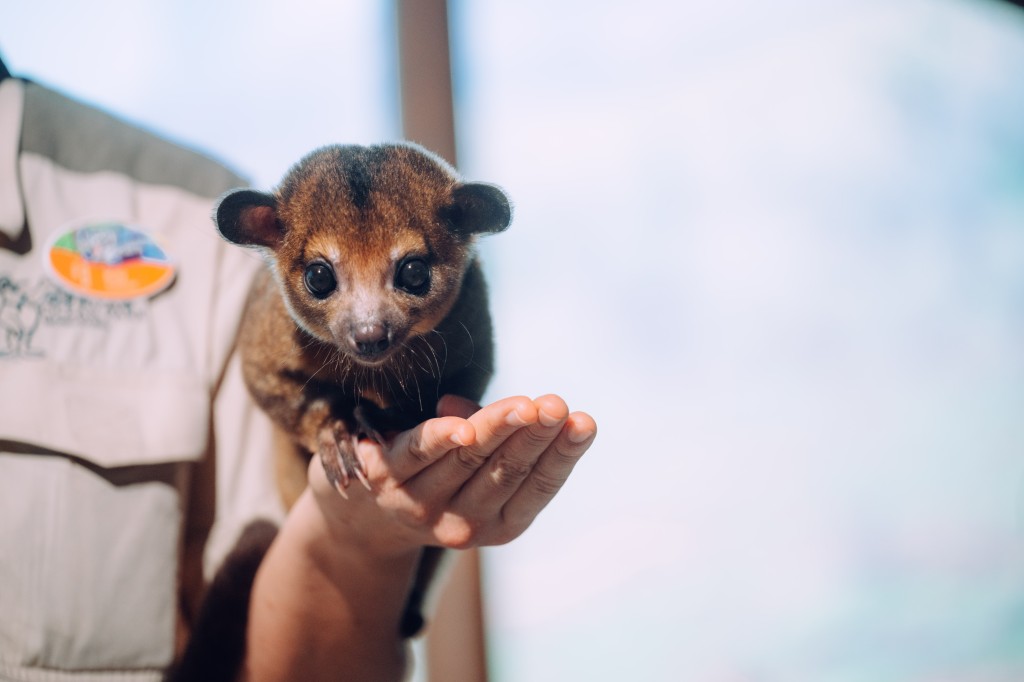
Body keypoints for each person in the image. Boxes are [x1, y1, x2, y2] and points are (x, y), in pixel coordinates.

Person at [0, 56, 596, 682]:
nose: (368, 323)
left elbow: (473, 368)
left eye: (410, 274)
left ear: (463, 236)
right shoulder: (266, 319)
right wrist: (320, 427)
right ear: (271, 242)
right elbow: (270, 379)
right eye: (323, 279)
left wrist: (371, 538)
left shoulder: (173, 188)